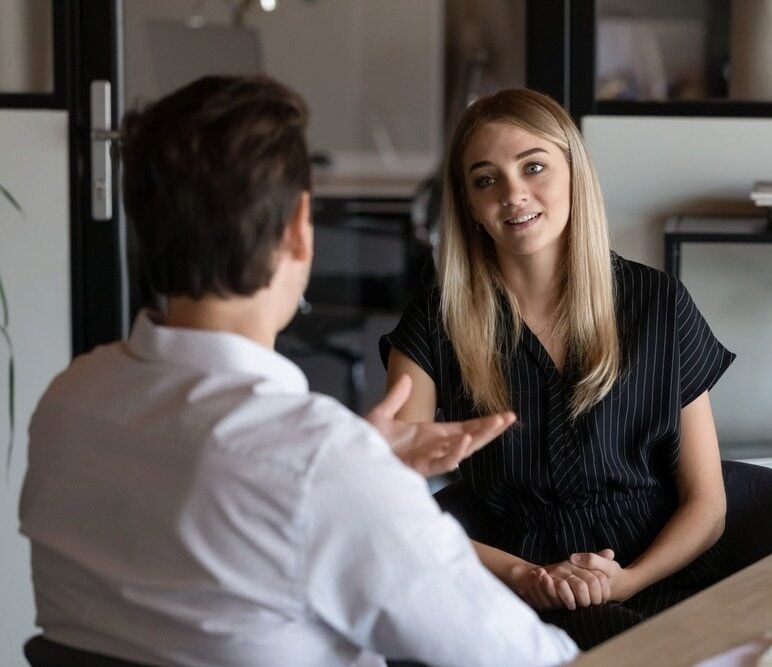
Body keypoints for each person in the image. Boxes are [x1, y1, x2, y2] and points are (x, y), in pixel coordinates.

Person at [19, 76, 579, 667]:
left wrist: (365, 467)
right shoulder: (318, 466)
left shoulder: (68, 401)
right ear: (297, 229)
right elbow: (527, 658)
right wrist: (361, 477)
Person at [382, 88, 736, 649]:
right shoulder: (436, 321)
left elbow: (707, 505)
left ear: (574, 173)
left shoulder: (658, 303)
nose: (513, 194)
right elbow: (391, 506)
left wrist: (627, 580)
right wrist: (525, 576)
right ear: (469, 205)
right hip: (512, 595)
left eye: (534, 167)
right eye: (486, 179)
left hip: (661, 581)